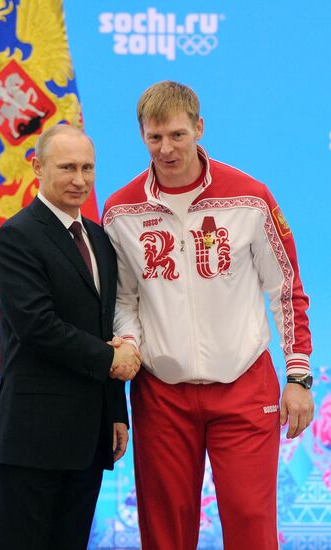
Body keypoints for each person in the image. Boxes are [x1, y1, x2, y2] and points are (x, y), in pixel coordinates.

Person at [103, 81, 314, 550]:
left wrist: (298, 377)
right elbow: (122, 299)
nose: (167, 148)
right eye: (155, 137)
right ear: (141, 136)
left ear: (199, 128)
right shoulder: (120, 211)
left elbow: (287, 290)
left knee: (250, 520)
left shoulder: (250, 198)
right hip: (161, 392)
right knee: (165, 529)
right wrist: (131, 343)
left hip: (243, 386)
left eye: (177, 135)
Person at [0, 124, 140, 550]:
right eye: (67, 167)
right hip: (30, 440)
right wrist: (112, 361)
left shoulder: (100, 239)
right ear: (36, 167)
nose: (80, 179)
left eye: (88, 168)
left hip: (87, 439)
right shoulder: (16, 236)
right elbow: (38, 326)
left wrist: (115, 411)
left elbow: (104, 326)